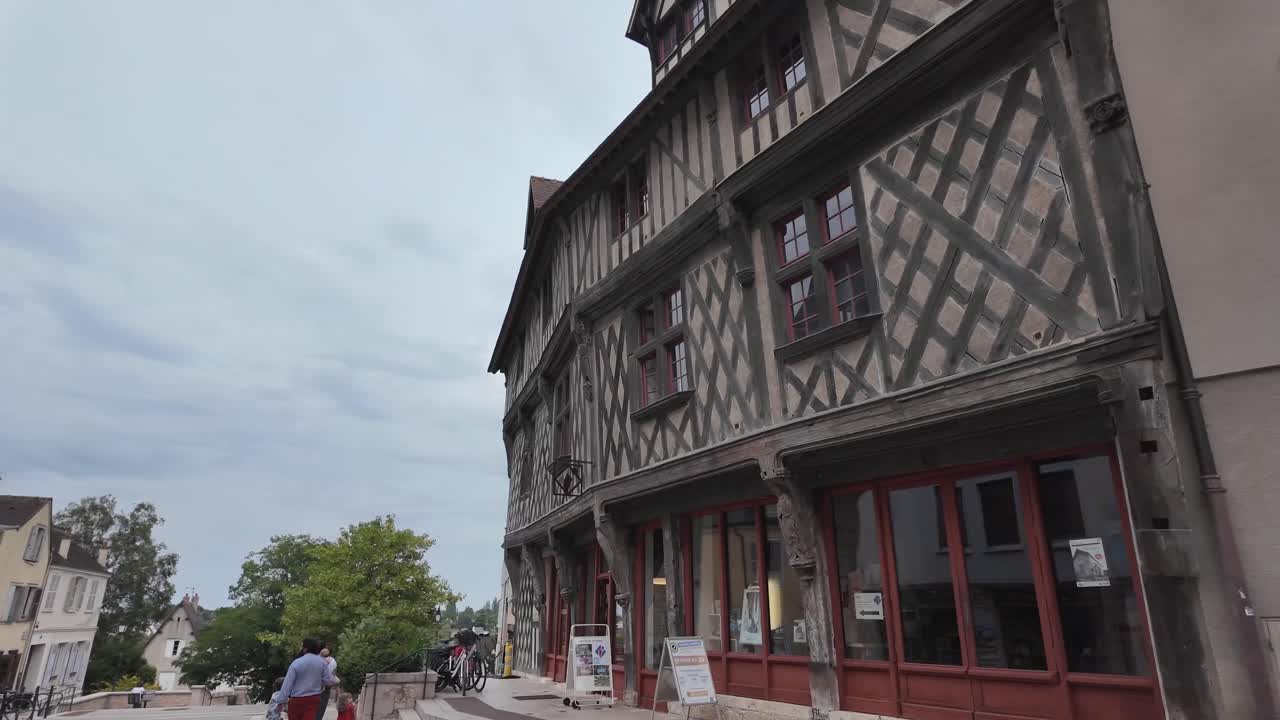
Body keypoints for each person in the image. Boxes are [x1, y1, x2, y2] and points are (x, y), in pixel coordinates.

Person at [277, 638, 338, 720]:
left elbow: (287, 684)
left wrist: (281, 701)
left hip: (297, 700)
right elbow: (329, 681)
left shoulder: (296, 663)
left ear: (305, 649)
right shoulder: (322, 662)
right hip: (313, 699)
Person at [316, 648, 338, 720]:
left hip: (317, 687)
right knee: (321, 709)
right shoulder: (333, 661)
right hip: (326, 687)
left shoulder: (318, 660)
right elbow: (333, 675)